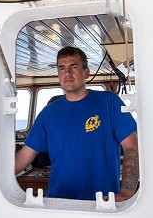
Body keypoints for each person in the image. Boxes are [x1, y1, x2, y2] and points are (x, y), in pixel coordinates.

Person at [15, 46, 139, 201]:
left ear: (86, 72)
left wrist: (127, 193)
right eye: (62, 68)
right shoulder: (48, 113)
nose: (67, 73)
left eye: (73, 66)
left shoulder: (110, 102)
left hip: (103, 202)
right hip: (59, 200)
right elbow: (25, 156)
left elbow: (132, 147)